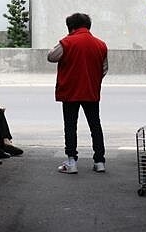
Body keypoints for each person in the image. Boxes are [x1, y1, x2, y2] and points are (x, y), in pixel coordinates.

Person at [47, 13, 108, 174]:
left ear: (71, 27)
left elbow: (51, 57)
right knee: (95, 126)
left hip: (70, 92)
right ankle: (100, 161)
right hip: (91, 91)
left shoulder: (67, 42)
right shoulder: (101, 45)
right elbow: (104, 69)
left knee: (70, 126)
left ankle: (71, 161)